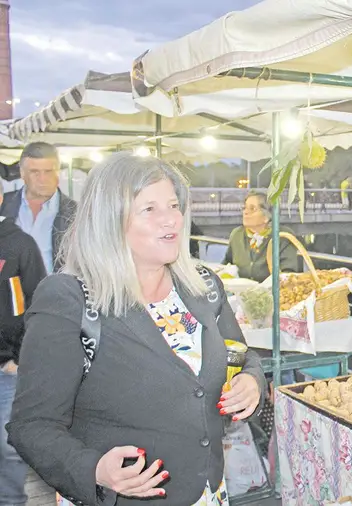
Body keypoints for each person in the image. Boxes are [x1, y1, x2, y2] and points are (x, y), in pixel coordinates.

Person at [7, 154, 265, 505]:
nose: (171, 218)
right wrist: (94, 469)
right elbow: (31, 425)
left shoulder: (203, 286)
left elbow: (243, 356)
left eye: (174, 205)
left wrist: (252, 383)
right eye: (149, 209)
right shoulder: (69, 299)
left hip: (208, 493)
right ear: (109, 221)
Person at [0, 191, 47, 506]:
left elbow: (38, 305)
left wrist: (18, 358)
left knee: (8, 450)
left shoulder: (19, 244)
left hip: (6, 372)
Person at [0, 142, 77, 274]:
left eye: (48, 171)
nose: (42, 179)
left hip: (55, 291)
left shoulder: (77, 213)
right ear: (22, 173)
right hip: (9, 291)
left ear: (58, 172)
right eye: (35, 172)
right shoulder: (3, 205)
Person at [223, 191, 301, 282]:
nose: (245, 212)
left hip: (272, 293)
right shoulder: (236, 234)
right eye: (244, 208)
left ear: (266, 217)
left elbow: (288, 274)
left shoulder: (283, 237)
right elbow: (227, 264)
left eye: (252, 209)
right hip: (239, 293)